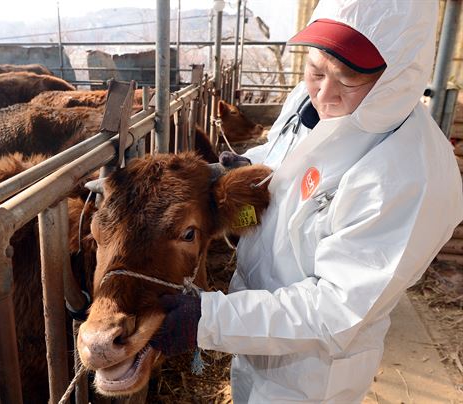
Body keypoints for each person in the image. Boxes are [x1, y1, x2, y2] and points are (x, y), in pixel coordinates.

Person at [149, 0, 463, 402]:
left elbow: (335, 310)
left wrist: (208, 320)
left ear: (397, 78)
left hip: (310, 373)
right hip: (254, 326)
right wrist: (248, 167)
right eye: (315, 69)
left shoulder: (407, 176)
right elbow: (293, 160)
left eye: (348, 80)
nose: (324, 94)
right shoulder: (306, 99)